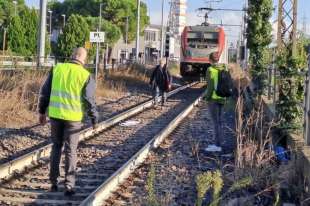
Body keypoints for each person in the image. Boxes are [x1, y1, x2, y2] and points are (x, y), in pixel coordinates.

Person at [38, 47, 98, 196]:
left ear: (72, 56)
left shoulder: (58, 68)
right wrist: (94, 118)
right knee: (71, 150)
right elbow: (89, 100)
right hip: (73, 119)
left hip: (56, 116)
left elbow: (45, 92)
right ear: (84, 59)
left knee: (56, 147)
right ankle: (69, 186)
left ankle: (53, 182)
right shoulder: (85, 75)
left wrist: (41, 112)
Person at [204, 53, 226, 152]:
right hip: (222, 98)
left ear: (210, 60)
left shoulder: (210, 70)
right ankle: (220, 143)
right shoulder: (224, 68)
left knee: (215, 123)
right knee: (220, 122)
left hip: (213, 99)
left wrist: (206, 98)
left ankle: (217, 145)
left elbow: (210, 87)